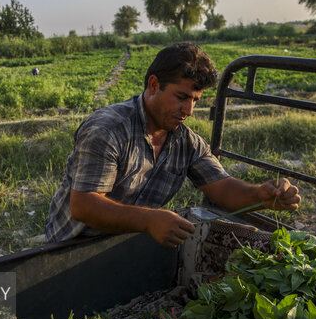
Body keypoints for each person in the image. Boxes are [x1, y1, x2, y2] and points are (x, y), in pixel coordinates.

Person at [45, 42, 301, 247]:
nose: (188, 110)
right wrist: (149, 220)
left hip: (129, 238)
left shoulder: (185, 141)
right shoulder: (107, 130)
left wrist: (260, 196)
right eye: (182, 97)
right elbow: (84, 205)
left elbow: (222, 189)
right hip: (72, 246)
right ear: (154, 85)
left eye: (196, 100)